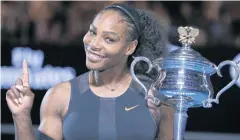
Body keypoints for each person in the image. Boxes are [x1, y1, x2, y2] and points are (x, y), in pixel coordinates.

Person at [6, 3, 174, 140]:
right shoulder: (60, 95)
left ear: (130, 47)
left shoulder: (155, 96)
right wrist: (21, 117)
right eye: (93, 32)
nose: (93, 44)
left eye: (109, 39)